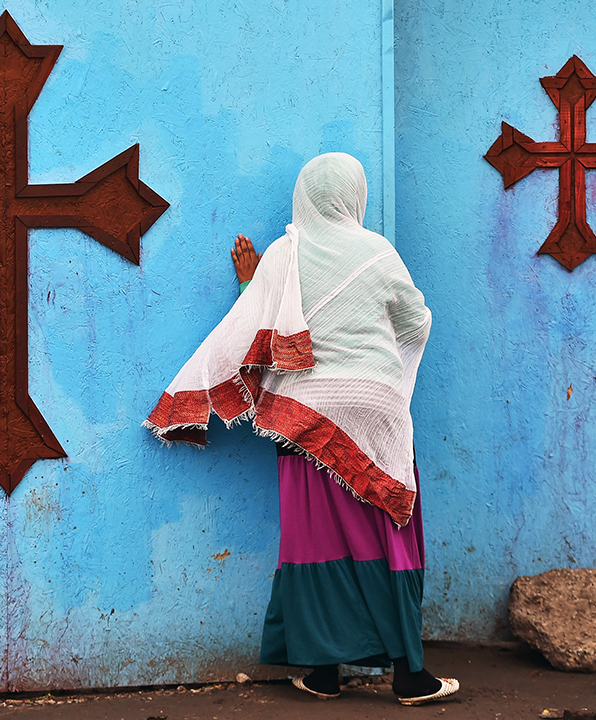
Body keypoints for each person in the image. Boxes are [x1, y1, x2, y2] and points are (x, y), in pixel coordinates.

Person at [144, 152, 457, 705]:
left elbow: (253, 333)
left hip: (306, 418)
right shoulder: (378, 252)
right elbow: (417, 321)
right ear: (352, 196)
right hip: (374, 417)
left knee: (315, 543)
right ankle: (409, 675)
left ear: (304, 197)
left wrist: (248, 282)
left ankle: (323, 672)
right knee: (390, 535)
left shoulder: (284, 256)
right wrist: (383, 367)